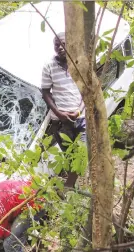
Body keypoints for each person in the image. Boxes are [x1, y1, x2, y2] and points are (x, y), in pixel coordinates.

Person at [41, 32, 86, 188]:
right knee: (69, 154)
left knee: (80, 152)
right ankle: (71, 183)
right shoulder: (49, 67)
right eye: (56, 45)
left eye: (63, 44)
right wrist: (59, 114)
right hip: (60, 122)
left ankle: (68, 187)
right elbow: (45, 92)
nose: (60, 47)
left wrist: (79, 111)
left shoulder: (79, 64)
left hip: (81, 119)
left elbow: (86, 92)